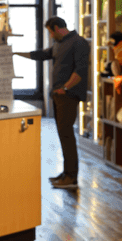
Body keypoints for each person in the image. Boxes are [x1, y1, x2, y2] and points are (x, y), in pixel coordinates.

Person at [14, 16, 90, 189]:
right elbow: (42, 55)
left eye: (50, 32)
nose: (50, 36)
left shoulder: (79, 43)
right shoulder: (59, 44)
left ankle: (71, 177)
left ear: (56, 28)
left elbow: (80, 70)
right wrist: (15, 53)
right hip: (59, 95)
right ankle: (66, 173)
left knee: (67, 135)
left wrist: (65, 88)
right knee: (63, 136)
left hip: (68, 96)